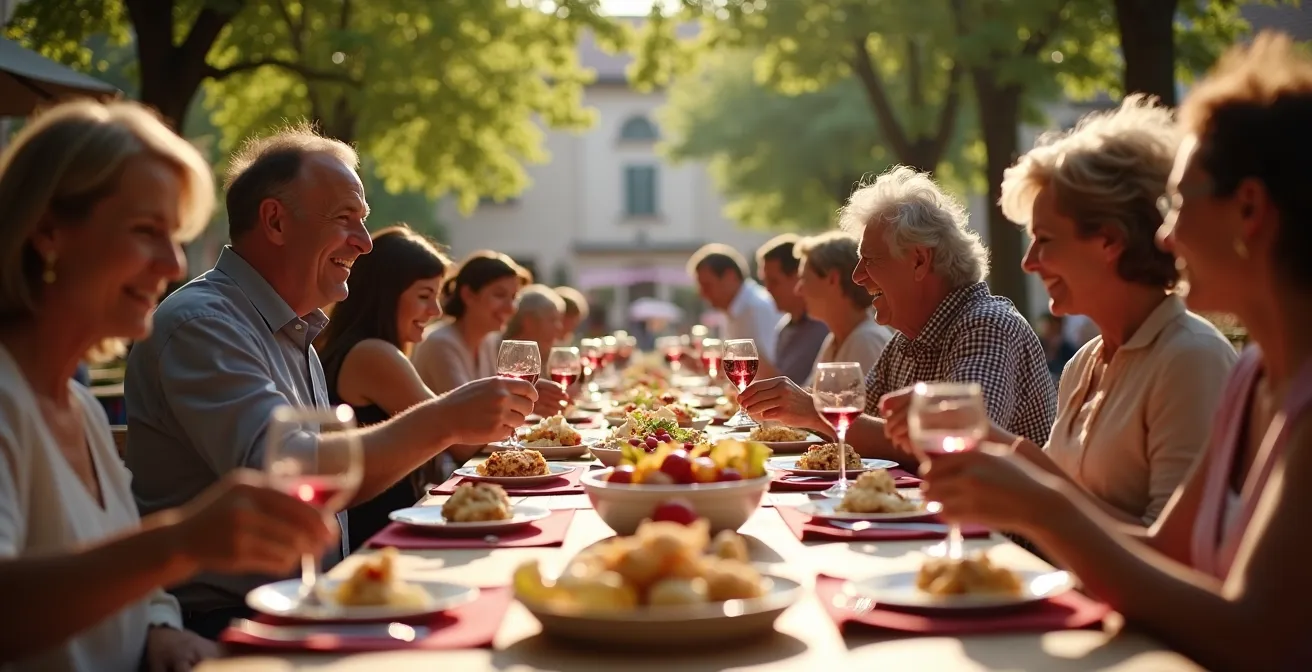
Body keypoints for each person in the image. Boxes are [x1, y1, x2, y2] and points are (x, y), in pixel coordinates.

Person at [920, 33, 1312, 669]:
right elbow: (1164, 551)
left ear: (1249, 211)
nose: (1163, 234)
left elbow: (1256, 638)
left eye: (1180, 204)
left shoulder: (1238, 372)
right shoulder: (1253, 376)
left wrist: (1042, 505)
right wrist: (1028, 490)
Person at [124, 125, 536, 639]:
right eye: (346, 220)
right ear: (275, 221)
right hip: (230, 629)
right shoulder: (203, 323)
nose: (364, 244)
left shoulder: (293, 330)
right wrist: (445, 419)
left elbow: (326, 476)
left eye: (363, 223)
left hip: (309, 605)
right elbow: (286, 476)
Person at [0, 101, 334, 671]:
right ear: (48, 233)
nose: (173, 262)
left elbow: (124, 572)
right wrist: (182, 542)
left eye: (175, 235)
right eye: (146, 231)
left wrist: (159, 628)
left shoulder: (77, 405)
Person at [908, 96, 1237, 526]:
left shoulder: (1191, 359)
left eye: (1045, 239)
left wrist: (1014, 474)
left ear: (1109, 240)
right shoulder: (1084, 362)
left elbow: (1175, 558)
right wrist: (989, 444)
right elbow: (1060, 495)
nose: (1029, 262)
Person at [738, 167, 1056, 462]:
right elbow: (862, 429)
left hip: (989, 523)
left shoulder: (987, 324)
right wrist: (810, 413)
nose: (858, 277)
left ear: (919, 261)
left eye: (871, 260)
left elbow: (959, 447)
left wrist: (815, 410)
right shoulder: (906, 339)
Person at [315, 225, 452, 549]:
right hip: (378, 540)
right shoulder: (373, 353)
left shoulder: (356, 345)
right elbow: (458, 436)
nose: (436, 311)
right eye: (424, 296)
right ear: (386, 295)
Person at [410, 251, 568, 411]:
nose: (510, 308)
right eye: (499, 295)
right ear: (468, 295)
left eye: (514, 297)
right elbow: (466, 413)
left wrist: (529, 398)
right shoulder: (441, 343)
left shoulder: (488, 341)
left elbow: (493, 400)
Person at [792, 231, 891, 384]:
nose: (798, 290)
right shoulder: (835, 340)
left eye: (804, 279)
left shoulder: (866, 341)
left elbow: (864, 406)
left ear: (833, 279)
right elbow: (807, 399)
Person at [687, 243, 783, 368]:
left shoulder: (757, 308)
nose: (702, 294)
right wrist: (700, 365)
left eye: (707, 285)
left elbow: (769, 373)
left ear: (730, 276)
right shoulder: (733, 309)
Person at [755, 234, 830, 384]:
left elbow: (804, 394)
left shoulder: (825, 327)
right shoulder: (785, 326)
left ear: (798, 277)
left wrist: (761, 369)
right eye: (765, 282)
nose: (767, 290)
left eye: (774, 281)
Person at [503, 284, 566, 376]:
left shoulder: (547, 357)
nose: (559, 327)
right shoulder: (495, 355)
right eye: (552, 320)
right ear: (529, 321)